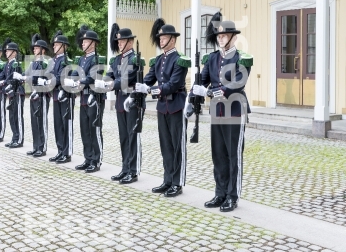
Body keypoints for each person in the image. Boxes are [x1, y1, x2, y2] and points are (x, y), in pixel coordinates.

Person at [189, 14, 252, 212]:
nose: (221, 38)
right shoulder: (213, 58)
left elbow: (237, 83)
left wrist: (211, 91)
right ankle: (220, 192)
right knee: (218, 154)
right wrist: (193, 96)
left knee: (234, 154)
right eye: (219, 35)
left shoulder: (241, 58)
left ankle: (232, 196)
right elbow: (203, 79)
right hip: (217, 109)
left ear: (233, 37)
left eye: (225, 35)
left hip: (234, 109)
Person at [135, 20, 190, 197]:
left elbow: (173, 84)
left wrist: (150, 90)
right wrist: (140, 86)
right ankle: (167, 179)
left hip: (176, 105)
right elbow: (149, 78)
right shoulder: (159, 60)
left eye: (164, 37)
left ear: (172, 40)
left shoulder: (180, 60)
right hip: (162, 107)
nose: (161, 40)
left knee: (177, 146)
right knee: (165, 145)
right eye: (160, 38)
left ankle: (177, 182)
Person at [104, 25, 144, 184]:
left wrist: (112, 83)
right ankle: (125, 167)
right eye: (118, 41)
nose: (119, 43)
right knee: (124, 137)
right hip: (121, 101)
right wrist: (105, 81)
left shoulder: (135, 59)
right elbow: (110, 75)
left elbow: (126, 79)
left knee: (132, 136)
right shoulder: (117, 59)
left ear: (130, 42)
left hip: (132, 101)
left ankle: (133, 171)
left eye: (122, 41)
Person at [67, 25, 105, 173]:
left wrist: (79, 82)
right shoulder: (82, 59)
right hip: (83, 98)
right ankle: (88, 158)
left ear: (93, 43)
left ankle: (96, 160)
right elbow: (77, 73)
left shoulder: (98, 58)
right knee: (84, 129)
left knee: (94, 129)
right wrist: (72, 80)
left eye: (85, 41)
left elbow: (92, 76)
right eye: (82, 41)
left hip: (94, 98)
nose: (82, 43)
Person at [15, 34, 50, 157]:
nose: (34, 50)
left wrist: (26, 78)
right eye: (34, 48)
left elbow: (38, 77)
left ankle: (42, 147)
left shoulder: (46, 62)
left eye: (36, 48)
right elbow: (28, 74)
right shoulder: (33, 63)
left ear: (43, 50)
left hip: (42, 94)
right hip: (34, 94)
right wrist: (20, 76)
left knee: (42, 121)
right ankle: (36, 146)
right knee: (34, 122)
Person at [47, 31, 74, 164]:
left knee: (65, 124)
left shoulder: (66, 60)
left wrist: (51, 81)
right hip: (56, 95)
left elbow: (61, 76)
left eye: (57, 44)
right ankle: (60, 150)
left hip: (65, 95)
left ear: (64, 46)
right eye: (54, 44)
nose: (54, 46)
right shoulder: (54, 60)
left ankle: (67, 153)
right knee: (58, 124)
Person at [0, 39, 25, 148]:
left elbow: (12, 78)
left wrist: (4, 82)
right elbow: (3, 76)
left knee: (17, 116)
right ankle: (14, 137)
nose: (6, 52)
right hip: (10, 93)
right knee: (11, 117)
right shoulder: (7, 64)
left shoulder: (16, 64)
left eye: (8, 51)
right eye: (6, 51)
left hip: (17, 92)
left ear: (14, 52)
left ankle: (19, 139)